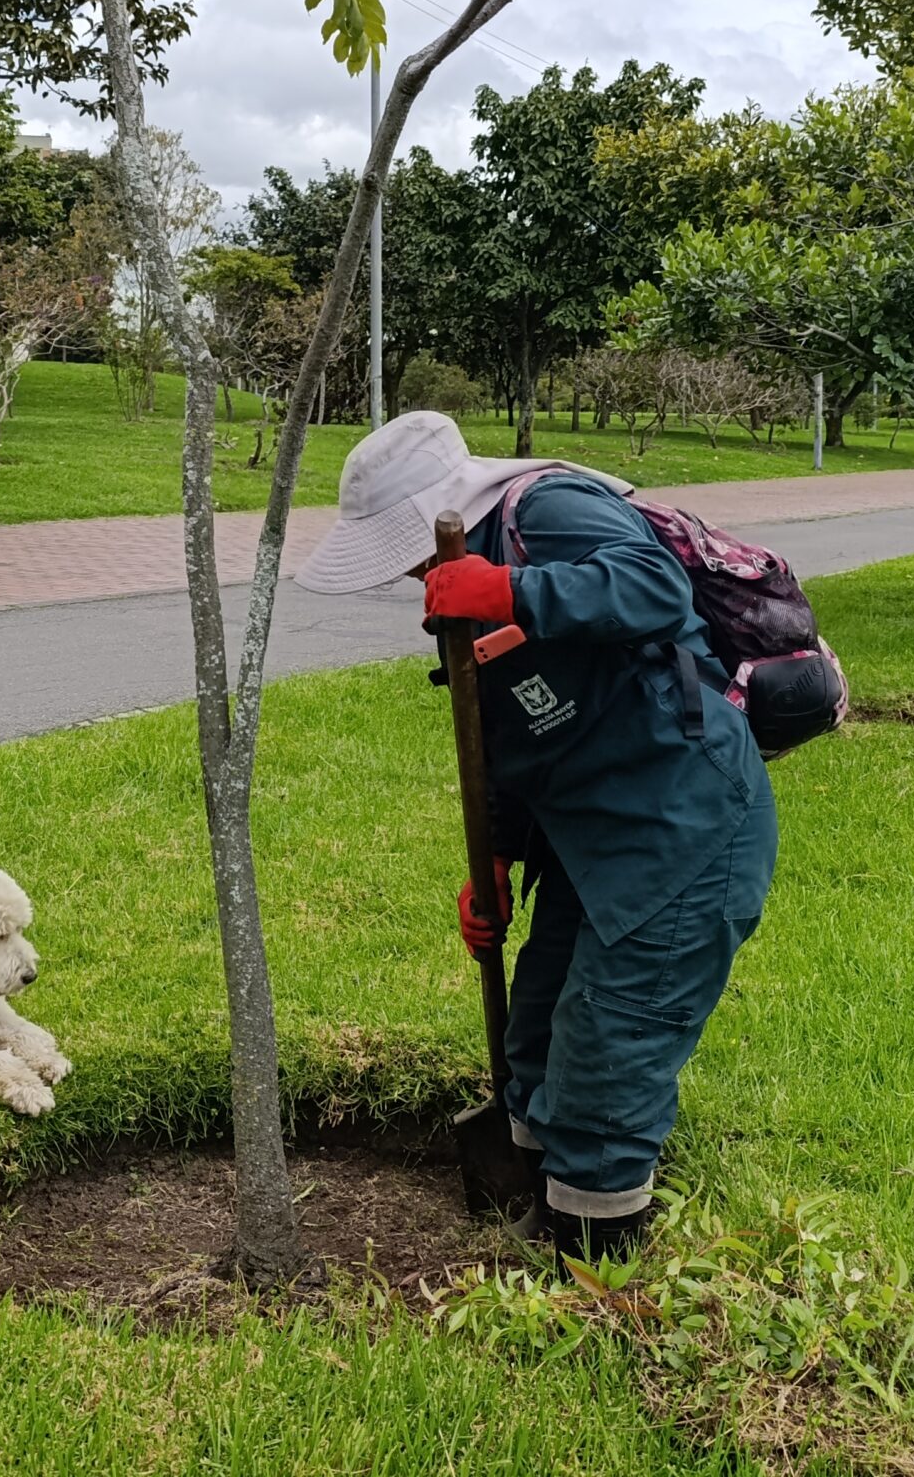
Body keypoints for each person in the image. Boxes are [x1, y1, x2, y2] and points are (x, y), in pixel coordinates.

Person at [294, 412, 778, 1265]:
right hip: (585, 831)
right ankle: (530, 1176)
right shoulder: (462, 584)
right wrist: (498, 859)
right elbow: (514, 738)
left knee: (611, 1030)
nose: (403, 570)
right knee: (540, 1023)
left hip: (681, 819)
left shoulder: (547, 507)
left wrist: (511, 592)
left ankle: (589, 1246)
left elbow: (653, 589)